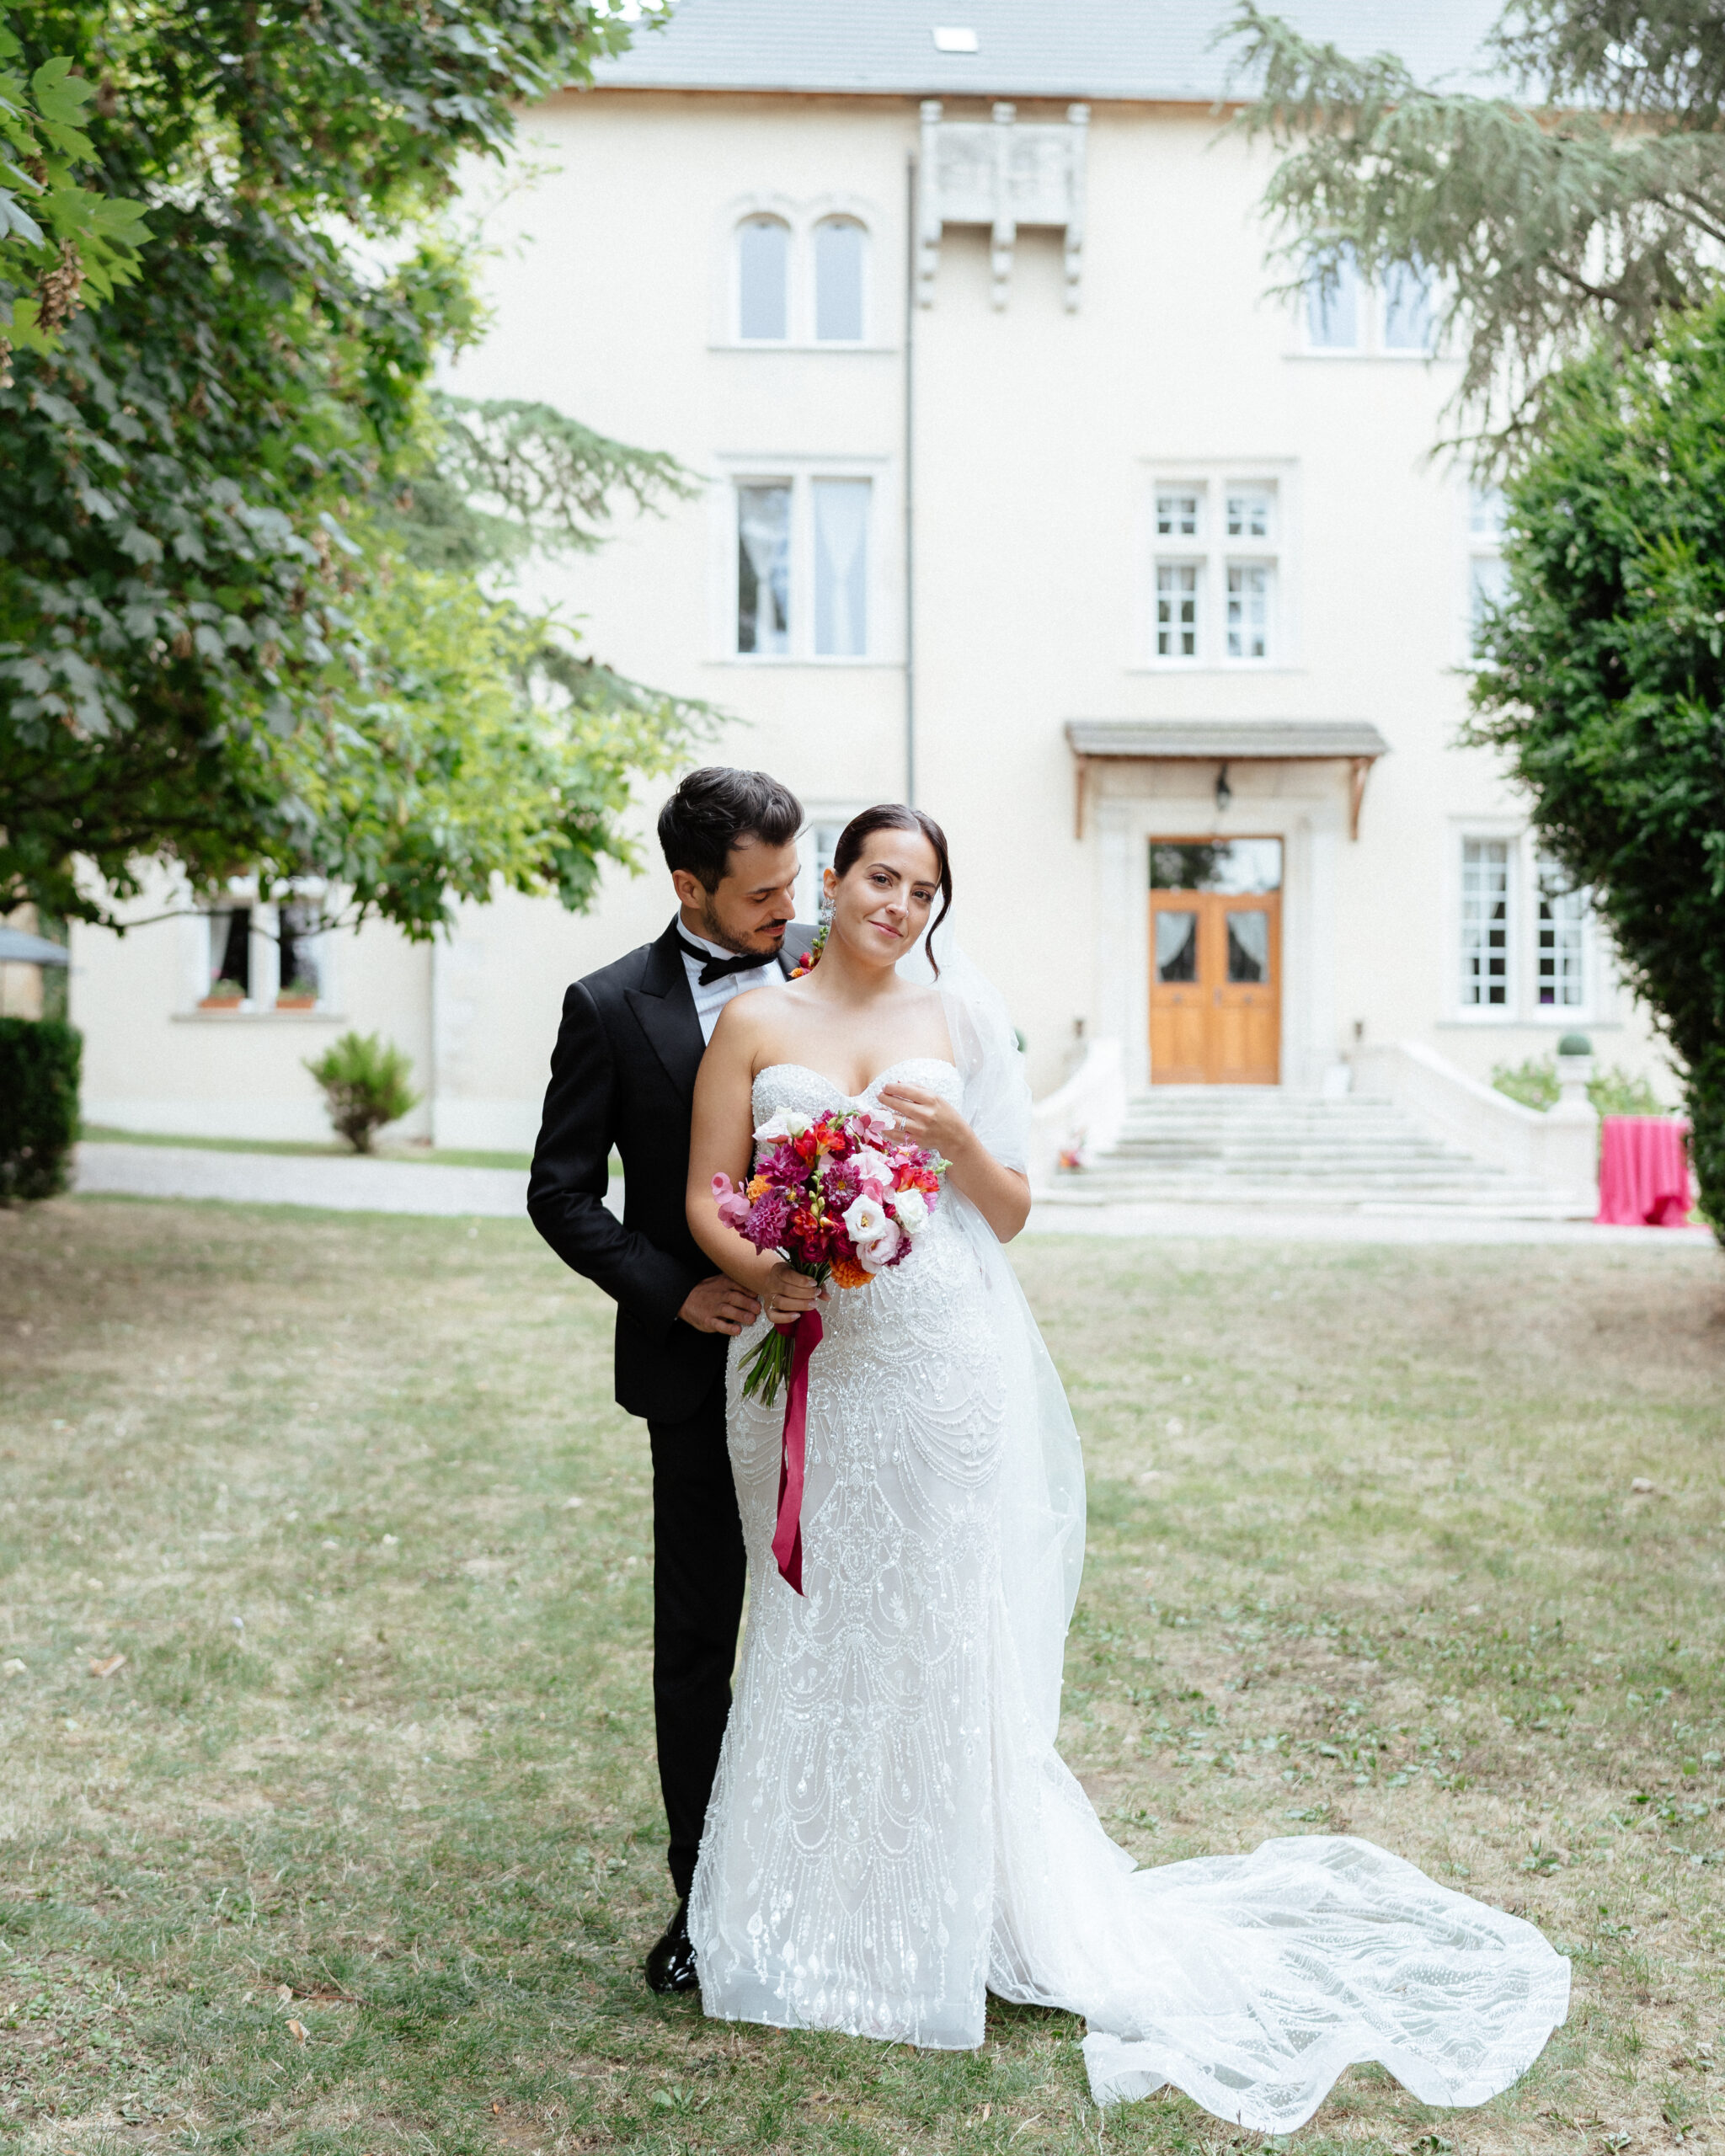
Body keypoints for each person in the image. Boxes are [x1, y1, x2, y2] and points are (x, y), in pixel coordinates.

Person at [680, 803, 1570, 2131]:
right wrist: (771, 1270)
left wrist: (957, 1146)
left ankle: (951, 1919)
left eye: (926, 887)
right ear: (834, 879)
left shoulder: (964, 1026)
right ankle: (808, 1909)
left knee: (935, 1633)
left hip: (938, 1368)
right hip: (810, 1372)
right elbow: (708, 1191)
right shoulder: (754, 1023)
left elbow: (1015, 1209)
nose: (899, 905)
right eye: (879, 876)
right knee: (816, 1625)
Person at [527, 766, 813, 1996]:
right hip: (697, 1366)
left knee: (838, 1625)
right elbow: (559, 1190)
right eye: (761, 892)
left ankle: (833, 1870)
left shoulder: (829, 963)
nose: (787, 909)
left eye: (795, 881)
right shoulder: (607, 1005)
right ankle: (704, 1893)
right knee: (700, 1636)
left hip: (841, 1358)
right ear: (688, 885)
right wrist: (670, 1288)